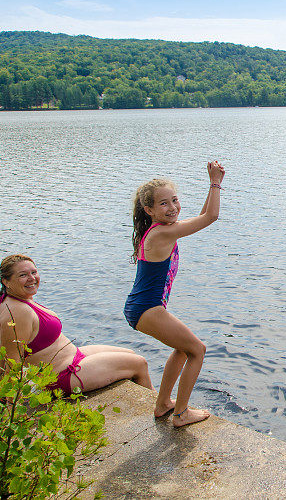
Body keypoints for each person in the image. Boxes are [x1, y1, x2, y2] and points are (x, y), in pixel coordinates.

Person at [124, 161, 225, 427]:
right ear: (149, 210)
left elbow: (202, 217)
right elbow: (211, 217)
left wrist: (211, 187)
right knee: (197, 350)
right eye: (164, 204)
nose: (172, 208)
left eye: (175, 200)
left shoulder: (163, 230)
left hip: (144, 307)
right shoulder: (162, 234)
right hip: (147, 308)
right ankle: (180, 414)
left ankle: (163, 404)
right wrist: (215, 183)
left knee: (182, 349)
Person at [0, 254, 154, 395]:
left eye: (34, 272)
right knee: (139, 364)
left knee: (130, 354)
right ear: (6, 281)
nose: (32, 278)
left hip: (73, 357)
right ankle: (159, 405)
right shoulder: (16, 312)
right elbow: (12, 362)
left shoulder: (22, 299)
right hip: (63, 376)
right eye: (23, 275)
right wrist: (10, 407)